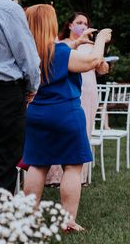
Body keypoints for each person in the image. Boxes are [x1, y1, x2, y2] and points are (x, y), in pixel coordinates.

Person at [22, 4, 111, 232]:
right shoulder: (60, 52)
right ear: (49, 24)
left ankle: (29, 218)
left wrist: (76, 42)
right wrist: (101, 38)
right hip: (66, 113)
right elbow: (93, 62)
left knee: (37, 164)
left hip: (36, 114)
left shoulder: (28, 53)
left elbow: (55, 51)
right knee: (72, 166)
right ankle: (67, 221)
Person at [0, 0, 40, 193]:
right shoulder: (8, 8)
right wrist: (32, 87)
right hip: (3, 97)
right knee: (2, 166)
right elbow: (28, 58)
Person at [46, 12, 110, 185]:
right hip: (68, 93)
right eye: (79, 22)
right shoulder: (62, 44)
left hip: (89, 94)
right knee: (61, 134)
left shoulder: (91, 47)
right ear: (70, 25)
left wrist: (102, 64)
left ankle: (79, 176)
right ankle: (54, 177)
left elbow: (102, 70)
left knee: (84, 132)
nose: (83, 25)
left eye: (85, 22)